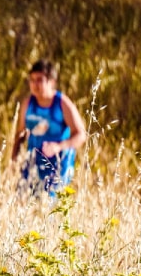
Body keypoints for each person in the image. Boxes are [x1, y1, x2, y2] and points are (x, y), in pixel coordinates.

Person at [11, 59, 86, 196]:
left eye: (40, 79)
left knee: (48, 207)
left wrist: (59, 146)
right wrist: (14, 159)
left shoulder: (62, 104)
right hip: (33, 161)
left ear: (52, 82)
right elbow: (20, 134)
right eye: (32, 80)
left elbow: (81, 134)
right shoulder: (28, 104)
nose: (35, 84)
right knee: (22, 200)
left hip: (58, 165)